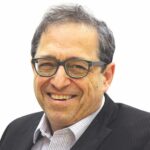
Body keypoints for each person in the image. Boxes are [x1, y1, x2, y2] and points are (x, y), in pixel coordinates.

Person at [0, 4, 150, 150]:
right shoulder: (14, 132)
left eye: (77, 67)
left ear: (106, 76)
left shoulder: (144, 138)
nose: (59, 82)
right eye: (47, 64)